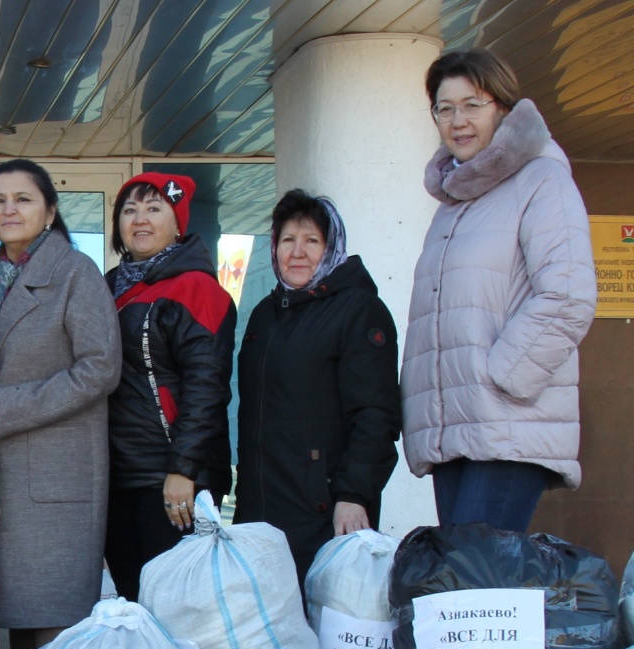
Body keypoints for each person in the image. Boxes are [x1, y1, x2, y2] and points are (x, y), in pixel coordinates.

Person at [403, 48, 596, 532]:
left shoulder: (541, 179)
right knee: (467, 590)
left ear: (504, 108)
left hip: (504, 422)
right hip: (457, 429)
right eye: (444, 108)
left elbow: (568, 295)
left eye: (473, 104)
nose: (457, 121)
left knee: (477, 587)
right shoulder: (455, 202)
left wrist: (502, 376)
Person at [0, 159, 121, 649]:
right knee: (13, 630)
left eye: (24, 199)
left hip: (56, 476)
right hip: (0, 478)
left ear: (49, 212)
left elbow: (100, 368)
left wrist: (8, 408)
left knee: (52, 631)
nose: (10, 209)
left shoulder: (75, 272)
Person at [233, 190, 400, 589]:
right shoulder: (266, 314)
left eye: (311, 241)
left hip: (324, 508)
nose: (298, 252)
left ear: (331, 247)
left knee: (327, 627)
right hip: (262, 510)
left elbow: (376, 415)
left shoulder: (357, 310)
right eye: (288, 240)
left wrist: (354, 494)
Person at [103, 173, 235, 603]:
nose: (140, 219)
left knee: (178, 607)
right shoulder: (108, 288)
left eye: (154, 208)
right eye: (129, 210)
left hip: (169, 477)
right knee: (132, 599)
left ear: (178, 223)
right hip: (116, 475)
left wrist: (184, 470)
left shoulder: (196, 288)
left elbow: (207, 388)